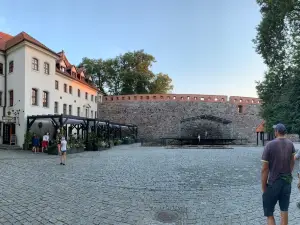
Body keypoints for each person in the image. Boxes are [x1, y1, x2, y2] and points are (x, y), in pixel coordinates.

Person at [261, 123, 296, 225]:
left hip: (274, 182)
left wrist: (264, 187)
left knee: (269, 213)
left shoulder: (269, 145)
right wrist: (288, 173)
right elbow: (292, 161)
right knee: (284, 211)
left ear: (276, 132)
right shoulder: (290, 144)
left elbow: (264, 169)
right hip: (286, 182)